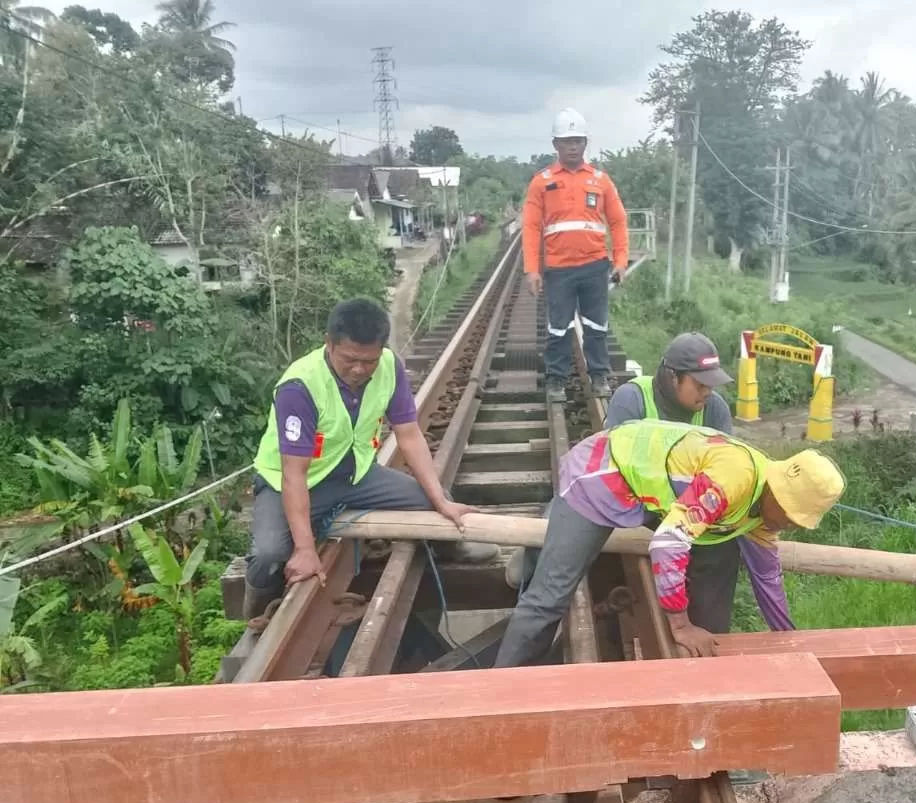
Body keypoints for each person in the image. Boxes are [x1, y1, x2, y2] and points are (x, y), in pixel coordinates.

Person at [491, 421, 847, 668]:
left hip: (650, 498)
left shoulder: (763, 513)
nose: (788, 523)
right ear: (777, 491)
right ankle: (502, 693)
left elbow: (768, 578)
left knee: (712, 553)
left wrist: (791, 642)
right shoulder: (734, 478)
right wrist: (680, 626)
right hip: (602, 473)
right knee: (551, 596)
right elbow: (667, 543)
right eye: (789, 514)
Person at [243, 298, 496, 621]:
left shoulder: (389, 366)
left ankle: (451, 547)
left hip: (355, 475)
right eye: (350, 359)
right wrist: (306, 549)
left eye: (369, 361)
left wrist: (439, 499)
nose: (360, 370)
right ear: (329, 343)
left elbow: (408, 434)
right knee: (268, 555)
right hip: (290, 483)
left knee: (437, 500)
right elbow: (294, 473)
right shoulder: (300, 386)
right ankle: (257, 611)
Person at [504, 332, 743, 632]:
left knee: (726, 541)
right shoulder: (633, 397)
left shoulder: (715, 409)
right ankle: (531, 559)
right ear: (672, 377)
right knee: (563, 509)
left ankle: (709, 629)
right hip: (627, 499)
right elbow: (618, 472)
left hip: (679, 509)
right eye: (699, 384)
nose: (706, 392)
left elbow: (724, 472)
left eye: (711, 384)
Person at [522, 107, 629, 404]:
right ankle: (555, 380)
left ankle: (598, 375)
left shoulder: (600, 180)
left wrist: (620, 262)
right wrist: (533, 269)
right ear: (555, 144)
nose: (573, 146)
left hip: (595, 266)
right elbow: (530, 227)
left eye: (578, 141)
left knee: (596, 326)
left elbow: (618, 222)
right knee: (559, 327)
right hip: (559, 270)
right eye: (567, 141)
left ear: (585, 143)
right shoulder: (541, 182)